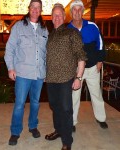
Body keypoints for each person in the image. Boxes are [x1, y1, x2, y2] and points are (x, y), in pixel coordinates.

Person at [4, 0, 48, 146]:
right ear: (29, 9)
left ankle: (33, 126)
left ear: (41, 10)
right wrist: (10, 67)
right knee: (19, 104)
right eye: (33, 7)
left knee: (35, 103)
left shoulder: (44, 29)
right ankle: (15, 132)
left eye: (38, 8)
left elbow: (46, 53)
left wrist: (46, 70)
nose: (35, 10)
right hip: (22, 73)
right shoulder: (18, 27)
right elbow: (10, 48)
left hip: (39, 74)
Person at [45, 3, 86, 150]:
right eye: (54, 15)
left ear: (64, 16)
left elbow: (81, 56)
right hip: (50, 79)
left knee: (66, 109)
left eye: (59, 15)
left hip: (65, 79)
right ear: (51, 17)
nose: (56, 17)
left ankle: (67, 141)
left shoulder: (72, 33)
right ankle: (59, 130)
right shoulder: (50, 35)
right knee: (55, 107)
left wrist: (78, 77)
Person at [67, 0, 108, 132]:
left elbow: (100, 43)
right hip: (75, 70)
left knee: (96, 94)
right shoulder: (67, 29)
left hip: (91, 68)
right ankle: (72, 121)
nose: (77, 12)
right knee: (74, 97)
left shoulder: (92, 26)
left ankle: (101, 119)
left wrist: (100, 60)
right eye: (75, 9)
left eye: (80, 9)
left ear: (83, 11)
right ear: (71, 12)